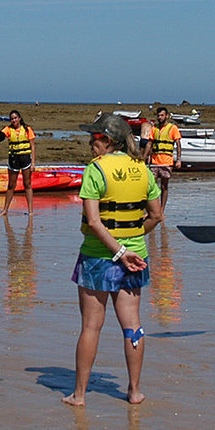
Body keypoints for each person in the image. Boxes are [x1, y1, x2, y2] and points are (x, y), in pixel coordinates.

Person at [63, 115, 162, 406]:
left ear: (107, 140)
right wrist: (130, 242)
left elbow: (94, 222)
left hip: (98, 257)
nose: (89, 143)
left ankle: (79, 395)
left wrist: (118, 251)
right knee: (132, 325)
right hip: (135, 256)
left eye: (94, 138)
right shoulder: (143, 169)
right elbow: (156, 215)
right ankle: (134, 391)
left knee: (91, 326)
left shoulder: (96, 169)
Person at [0, 110, 36, 215]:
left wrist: (33, 163)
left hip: (25, 158)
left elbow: (32, 146)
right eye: (12, 119)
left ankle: (30, 211)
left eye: (15, 118)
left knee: (27, 184)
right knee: (11, 185)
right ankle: (5, 210)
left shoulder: (27, 129)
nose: (14, 120)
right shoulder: (8, 129)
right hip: (14, 159)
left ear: (19, 118)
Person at [146, 107, 182, 209]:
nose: (160, 117)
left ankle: (162, 209)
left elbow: (178, 144)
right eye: (158, 116)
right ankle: (152, 209)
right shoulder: (154, 128)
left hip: (166, 162)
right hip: (154, 162)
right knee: (151, 186)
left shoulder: (173, 128)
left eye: (162, 115)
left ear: (167, 116)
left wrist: (178, 159)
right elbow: (149, 144)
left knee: (164, 186)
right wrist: (144, 158)